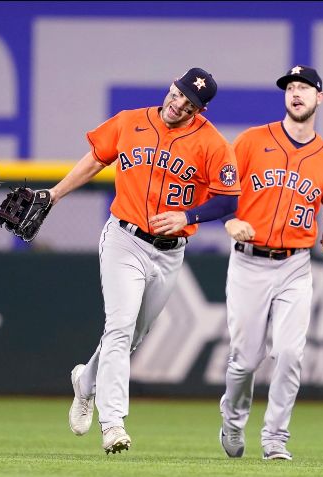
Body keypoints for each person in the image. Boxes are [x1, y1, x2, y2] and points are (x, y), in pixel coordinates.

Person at [55, 68, 241, 454]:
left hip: (170, 251)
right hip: (125, 238)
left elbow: (228, 199)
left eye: (189, 104)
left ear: (200, 109)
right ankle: (113, 424)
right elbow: (95, 160)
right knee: (120, 328)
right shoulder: (129, 121)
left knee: (133, 336)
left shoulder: (210, 143)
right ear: (171, 87)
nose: (178, 105)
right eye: (177, 95)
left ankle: (85, 382)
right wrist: (55, 194)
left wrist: (189, 217)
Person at [219, 65, 323, 461]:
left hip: (296, 265)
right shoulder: (250, 141)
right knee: (244, 361)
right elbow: (222, 191)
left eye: (305, 87)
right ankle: (232, 418)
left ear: (319, 98)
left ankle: (276, 438)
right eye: (291, 87)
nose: (296, 93)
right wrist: (230, 220)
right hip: (248, 264)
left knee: (291, 354)